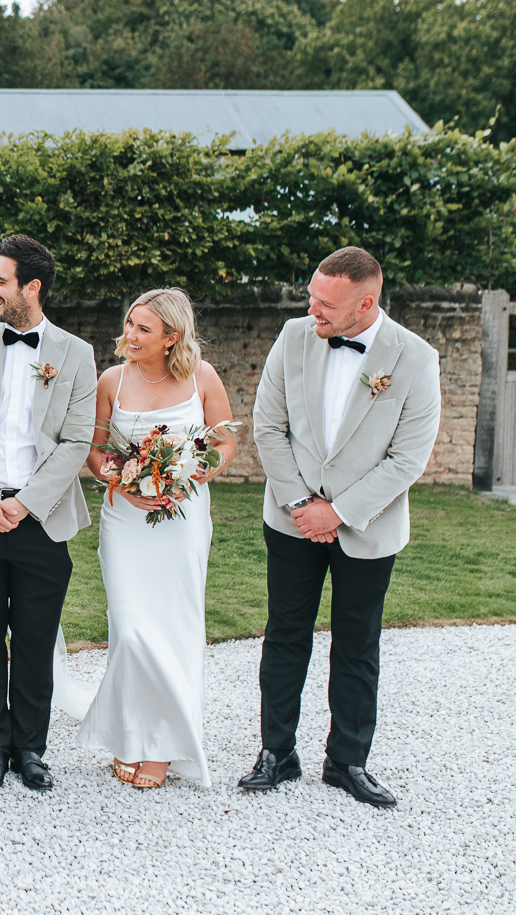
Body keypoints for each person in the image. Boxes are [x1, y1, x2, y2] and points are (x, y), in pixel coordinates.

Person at [243, 246, 441, 808]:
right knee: (285, 635)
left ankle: (347, 761)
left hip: (368, 527)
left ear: (366, 303)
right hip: (290, 520)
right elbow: (268, 426)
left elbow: (408, 459)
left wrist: (339, 512)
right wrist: (302, 503)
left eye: (326, 303)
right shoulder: (293, 335)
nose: (313, 311)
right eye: (311, 297)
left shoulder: (415, 358)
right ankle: (276, 753)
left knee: (357, 644)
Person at [0, 234, 98, 792]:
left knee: (35, 638)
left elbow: (77, 440)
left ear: (32, 287)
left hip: (42, 520)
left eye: (0, 281)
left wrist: (25, 504)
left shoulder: (76, 354)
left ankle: (31, 748)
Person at [75, 288, 236, 789]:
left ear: (172, 337)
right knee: (130, 626)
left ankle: (162, 746)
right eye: (129, 325)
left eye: (144, 329)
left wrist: (192, 473)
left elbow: (226, 441)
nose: (130, 336)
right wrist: (125, 480)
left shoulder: (202, 378)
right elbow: (93, 451)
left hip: (182, 519)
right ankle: (131, 732)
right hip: (125, 520)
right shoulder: (111, 380)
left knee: (175, 625)